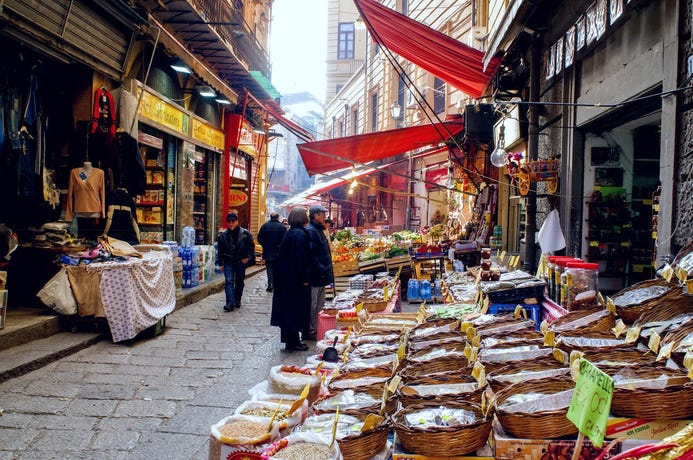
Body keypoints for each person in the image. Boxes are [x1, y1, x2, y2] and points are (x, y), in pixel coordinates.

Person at [270, 207, 311, 351]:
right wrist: (305, 277)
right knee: (294, 310)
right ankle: (294, 342)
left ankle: (290, 341)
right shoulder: (299, 235)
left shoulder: (291, 233)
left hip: (285, 278)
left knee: (287, 310)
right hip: (294, 280)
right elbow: (301, 258)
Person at [305, 205, 334, 341]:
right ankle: (311, 329)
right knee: (313, 303)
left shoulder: (318, 230)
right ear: (316, 215)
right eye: (322, 214)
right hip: (316, 275)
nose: (324, 217)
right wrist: (321, 268)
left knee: (320, 303)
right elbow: (312, 254)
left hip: (321, 274)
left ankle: (317, 328)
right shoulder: (312, 231)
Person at [217, 212, 255, 311]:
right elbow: (220, 250)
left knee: (239, 281)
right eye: (229, 222)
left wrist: (248, 257)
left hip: (240, 261)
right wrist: (220, 263)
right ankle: (230, 303)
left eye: (232, 221)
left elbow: (251, 246)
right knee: (229, 282)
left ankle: (237, 299)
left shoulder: (245, 233)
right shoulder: (223, 235)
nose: (230, 223)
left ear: (237, 221)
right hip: (228, 260)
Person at [257, 212, 286, 292]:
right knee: (277, 269)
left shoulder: (264, 226)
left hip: (267, 252)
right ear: (277, 217)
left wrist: (265, 245)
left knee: (269, 269)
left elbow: (259, 238)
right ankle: (276, 284)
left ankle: (270, 284)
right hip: (278, 253)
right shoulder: (281, 227)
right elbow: (285, 240)